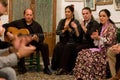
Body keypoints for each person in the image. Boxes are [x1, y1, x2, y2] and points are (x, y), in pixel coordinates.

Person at [3, 8, 52, 75]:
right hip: (22, 44)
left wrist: (37, 39)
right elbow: (4, 26)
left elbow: (42, 37)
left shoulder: (37, 25)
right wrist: (8, 33)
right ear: (24, 15)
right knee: (20, 45)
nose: (29, 16)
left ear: (33, 16)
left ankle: (46, 67)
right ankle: (21, 67)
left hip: (33, 44)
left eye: (30, 15)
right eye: (27, 15)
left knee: (45, 45)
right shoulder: (18, 22)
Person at [73, 9, 117, 79]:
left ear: (108, 17)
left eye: (104, 16)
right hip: (100, 49)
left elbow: (109, 42)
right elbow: (97, 43)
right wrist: (95, 38)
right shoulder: (100, 27)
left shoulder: (112, 27)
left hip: (107, 50)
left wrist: (99, 37)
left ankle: (91, 76)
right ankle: (81, 76)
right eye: (100, 16)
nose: (101, 18)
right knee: (82, 53)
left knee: (90, 57)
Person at [51, 5, 83, 75]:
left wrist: (69, 29)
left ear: (72, 13)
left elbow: (77, 35)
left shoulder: (75, 21)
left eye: (68, 12)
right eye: (65, 12)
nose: (66, 13)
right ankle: (57, 67)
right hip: (63, 40)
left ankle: (64, 68)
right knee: (58, 46)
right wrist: (64, 30)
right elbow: (57, 32)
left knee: (66, 47)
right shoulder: (62, 21)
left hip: (72, 41)